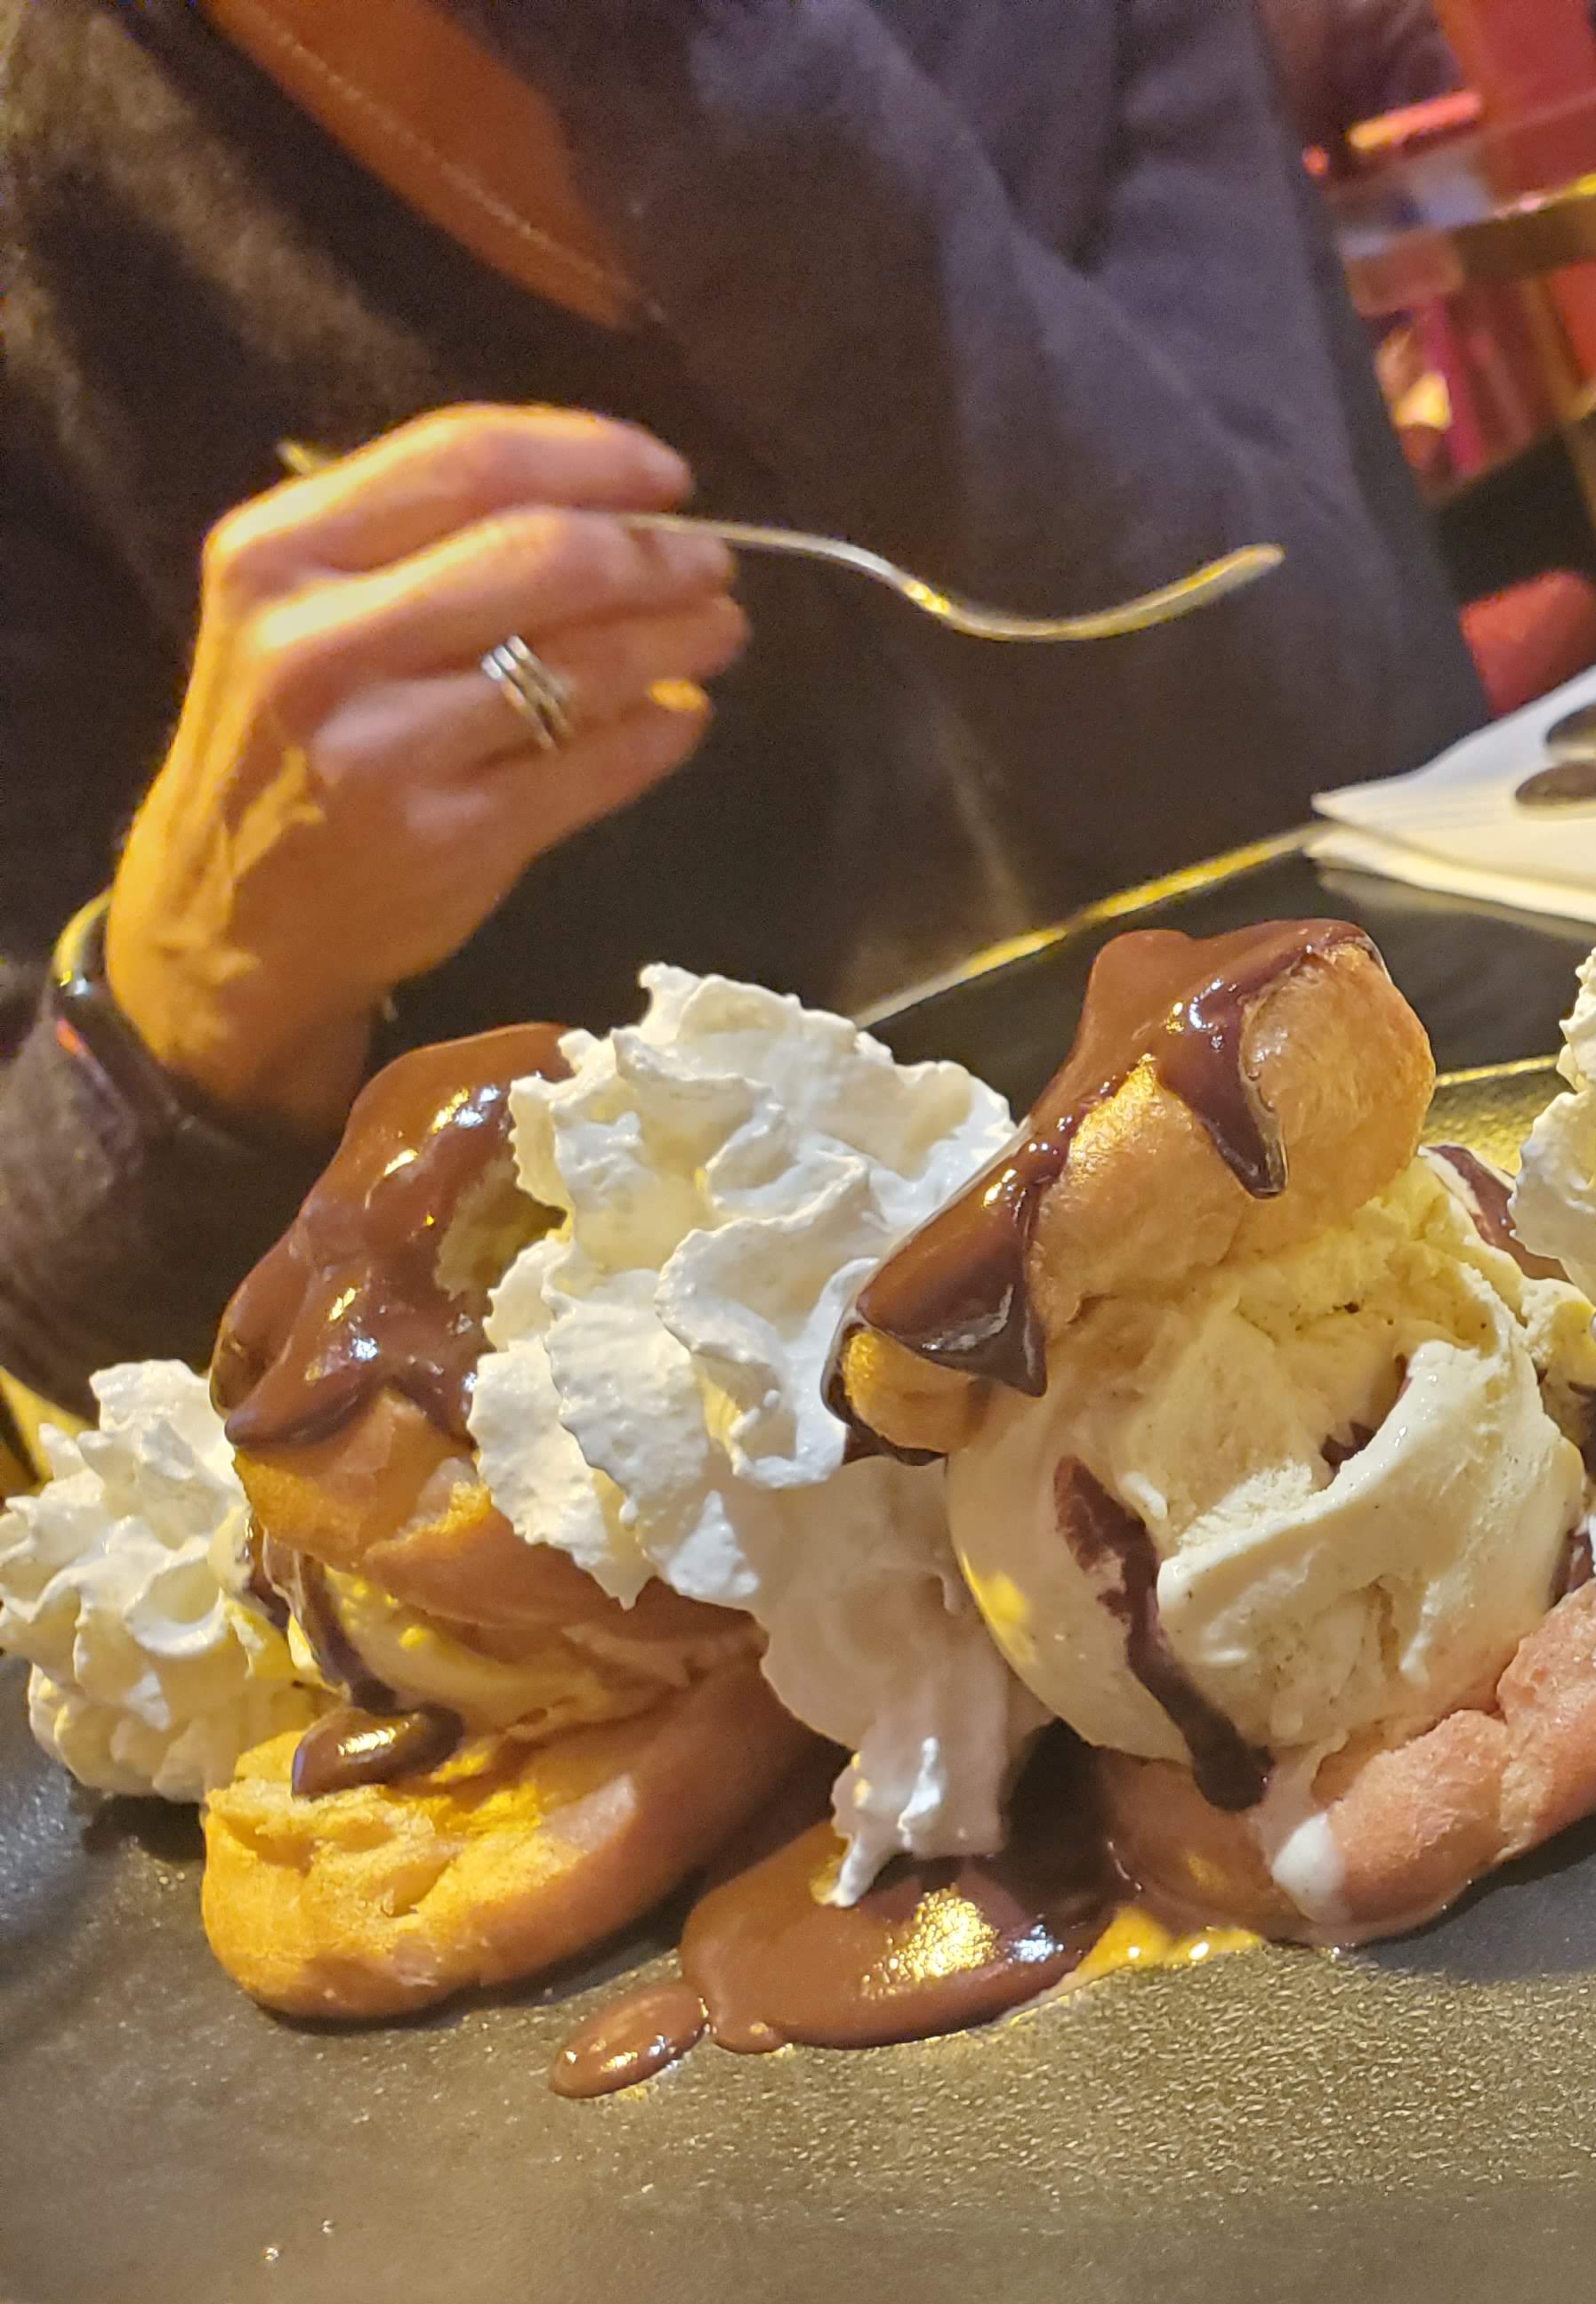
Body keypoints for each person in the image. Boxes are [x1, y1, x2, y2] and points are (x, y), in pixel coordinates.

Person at [0, 0, 1487, 1421]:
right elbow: (75, 1321)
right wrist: (192, 1008)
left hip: (1381, 1273)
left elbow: (1333, 761)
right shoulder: (46, 185)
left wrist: (710, 84)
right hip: (654, 1491)